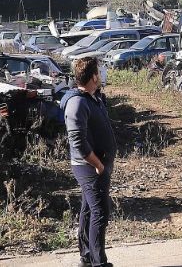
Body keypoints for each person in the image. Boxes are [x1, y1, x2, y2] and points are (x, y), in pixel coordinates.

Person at [64, 56, 116, 267]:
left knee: (88, 209)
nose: (102, 74)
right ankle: (98, 262)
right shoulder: (76, 102)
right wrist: (98, 164)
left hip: (95, 165)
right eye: (100, 71)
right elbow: (78, 141)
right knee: (100, 212)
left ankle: (86, 257)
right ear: (94, 76)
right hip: (89, 167)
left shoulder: (92, 97)